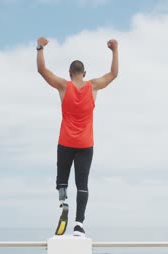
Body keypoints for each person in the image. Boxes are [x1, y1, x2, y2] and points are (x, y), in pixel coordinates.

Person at [36, 36, 119, 236]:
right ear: (84, 73)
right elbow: (113, 74)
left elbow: (42, 71)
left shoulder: (64, 86)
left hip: (65, 142)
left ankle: (63, 204)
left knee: (62, 179)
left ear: (70, 73)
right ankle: (79, 225)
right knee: (82, 184)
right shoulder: (94, 86)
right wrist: (115, 49)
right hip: (85, 144)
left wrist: (40, 48)